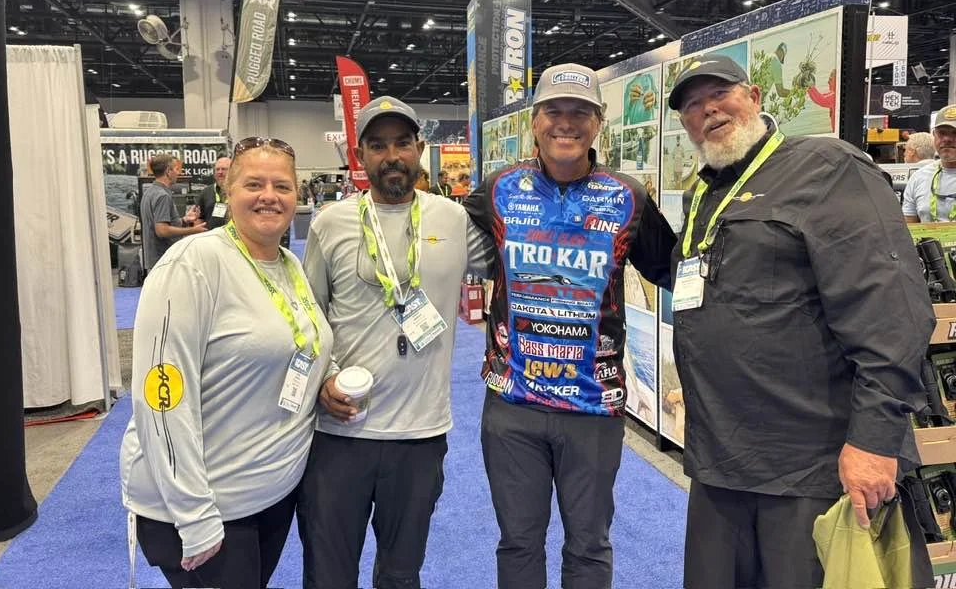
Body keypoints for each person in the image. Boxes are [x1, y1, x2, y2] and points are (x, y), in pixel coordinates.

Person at [665, 54, 934, 589]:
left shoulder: (828, 168)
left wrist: (876, 440)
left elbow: (893, 311)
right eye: (691, 105)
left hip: (813, 466)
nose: (707, 111)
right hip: (721, 463)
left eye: (719, 93)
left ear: (755, 97)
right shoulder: (705, 192)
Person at [463, 63, 676, 589]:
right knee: (518, 542)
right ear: (535, 123)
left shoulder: (628, 196)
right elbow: (436, 243)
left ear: (598, 123)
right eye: (554, 111)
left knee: (588, 544)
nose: (566, 123)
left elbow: (677, 270)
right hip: (513, 407)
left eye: (580, 112)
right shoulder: (497, 190)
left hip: (593, 409)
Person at [120, 137, 335, 589]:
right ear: (228, 191)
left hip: (268, 495)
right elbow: (162, 396)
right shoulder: (193, 264)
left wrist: (327, 377)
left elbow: (299, 341)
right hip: (207, 507)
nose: (269, 196)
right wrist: (194, 514)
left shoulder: (289, 264)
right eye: (253, 183)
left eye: (282, 185)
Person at [298, 96, 492, 589]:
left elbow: (513, 266)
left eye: (402, 143)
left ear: (419, 149)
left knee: (402, 575)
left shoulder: (452, 218)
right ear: (359, 156)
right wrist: (319, 381)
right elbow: (307, 319)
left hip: (419, 436)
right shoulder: (330, 223)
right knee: (329, 575)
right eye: (378, 145)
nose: (392, 156)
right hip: (341, 433)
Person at [139, 153, 206, 273]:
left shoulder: (149, 193)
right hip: (163, 261)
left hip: (154, 261)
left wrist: (184, 220)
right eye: (175, 169)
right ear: (168, 171)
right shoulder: (162, 196)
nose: (178, 172)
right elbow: (162, 230)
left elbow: (159, 224)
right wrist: (193, 231)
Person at [904, 106, 956, 223]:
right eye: (941, 133)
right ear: (934, 135)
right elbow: (910, 229)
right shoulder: (918, 178)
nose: (947, 139)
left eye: (955, 133)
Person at [195, 155, 232, 230]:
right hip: (211, 238)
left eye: (224, 169)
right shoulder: (206, 192)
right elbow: (199, 218)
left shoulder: (239, 190)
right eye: (217, 169)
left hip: (234, 237)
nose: (220, 172)